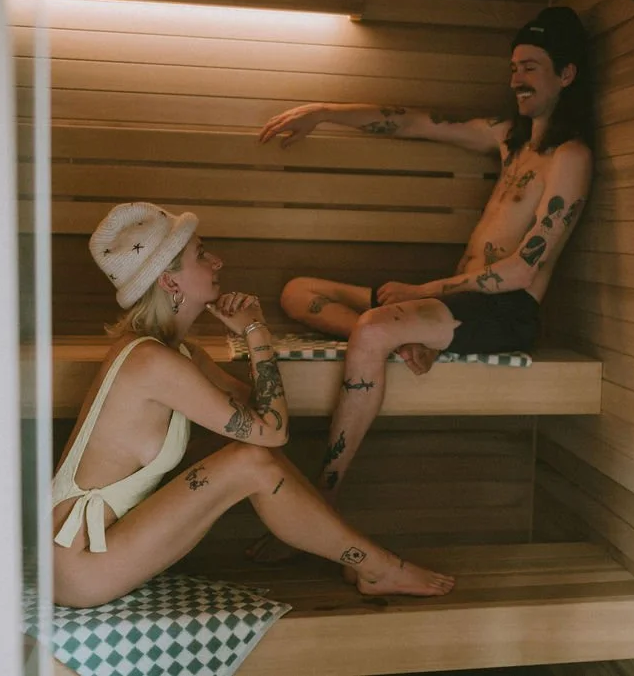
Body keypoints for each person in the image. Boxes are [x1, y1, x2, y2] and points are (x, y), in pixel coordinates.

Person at [252, 6, 594, 534]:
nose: (517, 78)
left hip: (505, 313)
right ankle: (402, 339)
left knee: (371, 328)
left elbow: (524, 272)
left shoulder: (568, 157)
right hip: (450, 305)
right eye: (514, 67)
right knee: (300, 292)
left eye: (531, 66)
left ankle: (320, 505)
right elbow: (415, 121)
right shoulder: (511, 140)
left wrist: (421, 290)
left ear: (566, 74)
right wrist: (324, 111)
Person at [50, 201, 455, 608]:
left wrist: (253, 332)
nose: (217, 261)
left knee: (252, 458)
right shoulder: (151, 362)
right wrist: (256, 330)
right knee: (249, 461)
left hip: (97, 553)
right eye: (201, 254)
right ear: (170, 283)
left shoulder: (179, 354)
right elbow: (272, 430)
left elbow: (260, 415)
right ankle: (377, 567)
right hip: (81, 568)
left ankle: (364, 561)